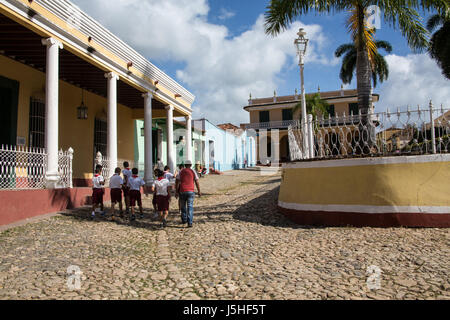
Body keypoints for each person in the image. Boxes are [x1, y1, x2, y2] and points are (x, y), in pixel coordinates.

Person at [175, 160, 201, 228]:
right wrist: (199, 191)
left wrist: (176, 191)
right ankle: (190, 222)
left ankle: (184, 219)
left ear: (185, 165)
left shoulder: (181, 172)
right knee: (190, 207)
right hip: (190, 191)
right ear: (191, 165)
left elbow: (177, 181)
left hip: (182, 191)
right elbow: (197, 181)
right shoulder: (193, 171)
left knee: (183, 206)